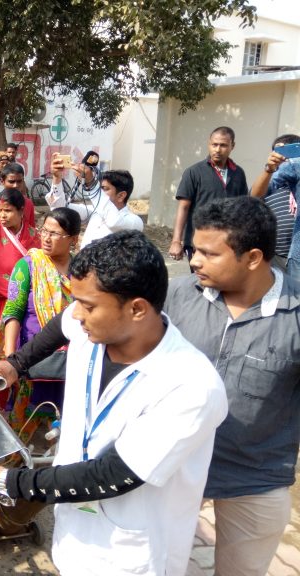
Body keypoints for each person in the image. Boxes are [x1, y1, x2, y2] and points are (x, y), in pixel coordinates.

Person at [0, 230, 228, 576]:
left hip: (131, 553)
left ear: (137, 309)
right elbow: (60, 326)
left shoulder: (190, 384)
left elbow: (116, 474)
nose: (76, 314)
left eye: (88, 306)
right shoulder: (94, 327)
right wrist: (15, 365)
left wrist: (10, 482)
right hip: (75, 537)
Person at [164, 196, 300, 576]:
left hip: (255, 479)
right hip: (172, 467)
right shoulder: (178, 295)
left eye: (209, 253)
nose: (194, 261)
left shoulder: (296, 314)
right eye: (194, 249)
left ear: (253, 258)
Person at [2, 207, 80, 441]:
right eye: (44, 231)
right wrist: (10, 360)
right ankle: (12, 470)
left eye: (55, 234)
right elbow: (12, 312)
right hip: (32, 360)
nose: (46, 237)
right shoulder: (28, 266)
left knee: (67, 428)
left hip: (71, 362)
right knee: (19, 430)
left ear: (73, 239)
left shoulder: (82, 270)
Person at [168, 126, 248, 262]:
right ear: (209, 144)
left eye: (223, 145)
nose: (217, 149)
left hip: (228, 243)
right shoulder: (193, 172)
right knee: (202, 281)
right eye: (214, 144)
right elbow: (183, 207)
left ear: (232, 146)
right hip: (198, 243)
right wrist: (176, 241)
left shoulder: (238, 173)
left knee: (224, 282)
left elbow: (242, 208)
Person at [0, 188, 40, 348]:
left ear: (21, 211)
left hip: (32, 305)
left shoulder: (36, 237)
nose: (2, 215)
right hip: (2, 307)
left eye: (8, 210)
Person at [48, 164, 144, 248]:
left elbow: (114, 221)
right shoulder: (95, 211)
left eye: (104, 189)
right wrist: (57, 178)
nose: (100, 192)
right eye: (99, 188)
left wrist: (91, 184)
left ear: (121, 196)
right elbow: (60, 210)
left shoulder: (135, 221)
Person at [250, 134, 300, 275]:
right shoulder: (270, 182)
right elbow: (255, 196)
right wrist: (269, 169)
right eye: (278, 153)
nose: (284, 158)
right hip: (276, 255)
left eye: (289, 151)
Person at [0, 163, 35, 243]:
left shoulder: (28, 204)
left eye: (19, 181)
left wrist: (30, 255)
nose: (16, 185)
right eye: (11, 182)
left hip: (24, 252)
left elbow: (32, 233)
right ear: (2, 181)